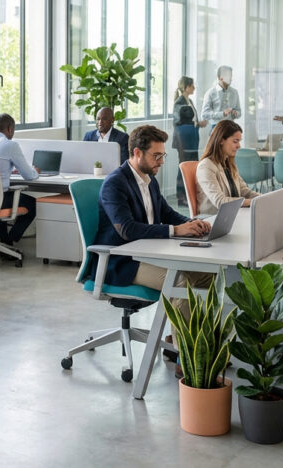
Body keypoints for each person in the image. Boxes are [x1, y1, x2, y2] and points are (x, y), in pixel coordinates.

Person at [92, 125, 213, 318]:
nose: (161, 162)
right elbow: (127, 229)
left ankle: (200, 337)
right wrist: (176, 230)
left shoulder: (149, 179)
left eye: (163, 156)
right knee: (180, 281)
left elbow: (167, 213)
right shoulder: (115, 183)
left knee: (209, 274)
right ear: (137, 153)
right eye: (156, 156)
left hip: (149, 254)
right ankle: (182, 346)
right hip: (123, 262)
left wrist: (192, 223)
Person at [0, 113, 39, 247]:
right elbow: (29, 176)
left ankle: (3, 241)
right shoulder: (10, 145)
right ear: (10, 128)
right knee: (33, 204)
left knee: (5, 195)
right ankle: (9, 240)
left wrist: (10, 170)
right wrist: (36, 171)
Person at [195, 120, 261, 215]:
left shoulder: (228, 164)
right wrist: (252, 202)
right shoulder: (206, 166)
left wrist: (264, 198)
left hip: (234, 214)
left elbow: (244, 191)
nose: (239, 146)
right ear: (221, 140)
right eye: (235, 141)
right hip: (214, 218)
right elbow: (220, 201)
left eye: (239, 141)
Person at [172, 76, 207, 207]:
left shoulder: (189, 100)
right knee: (183, 167)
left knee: (192, 167)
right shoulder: (180, 102)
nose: (194, 88)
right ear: (187, 87)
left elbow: (190, 120)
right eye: (192, 86)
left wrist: (198, 124)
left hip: (191, 140)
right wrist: (196, 123)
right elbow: (179, 121)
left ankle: (189, 196)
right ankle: (181, 197)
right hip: (184, 141)